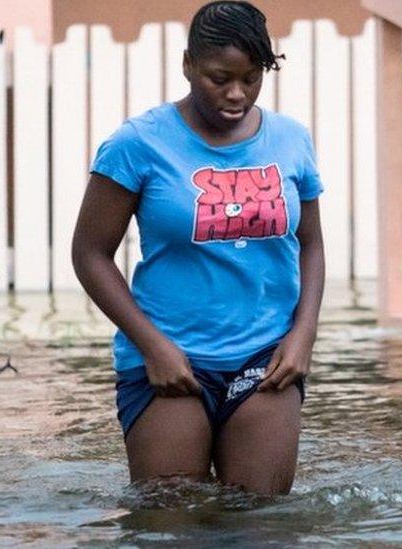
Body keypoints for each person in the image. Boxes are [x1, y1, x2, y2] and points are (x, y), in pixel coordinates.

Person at [71, 0, 324, 496]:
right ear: (187, 65)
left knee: (259, 521)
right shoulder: (138, 144)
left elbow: (311, 244)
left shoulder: (291, 140)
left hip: (266, 356)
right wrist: (152, 346)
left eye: (251, 79)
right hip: (169, 360)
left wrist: (303, 336)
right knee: (171, 520)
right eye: (218, 78)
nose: (236, 94)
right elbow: (89, 254)